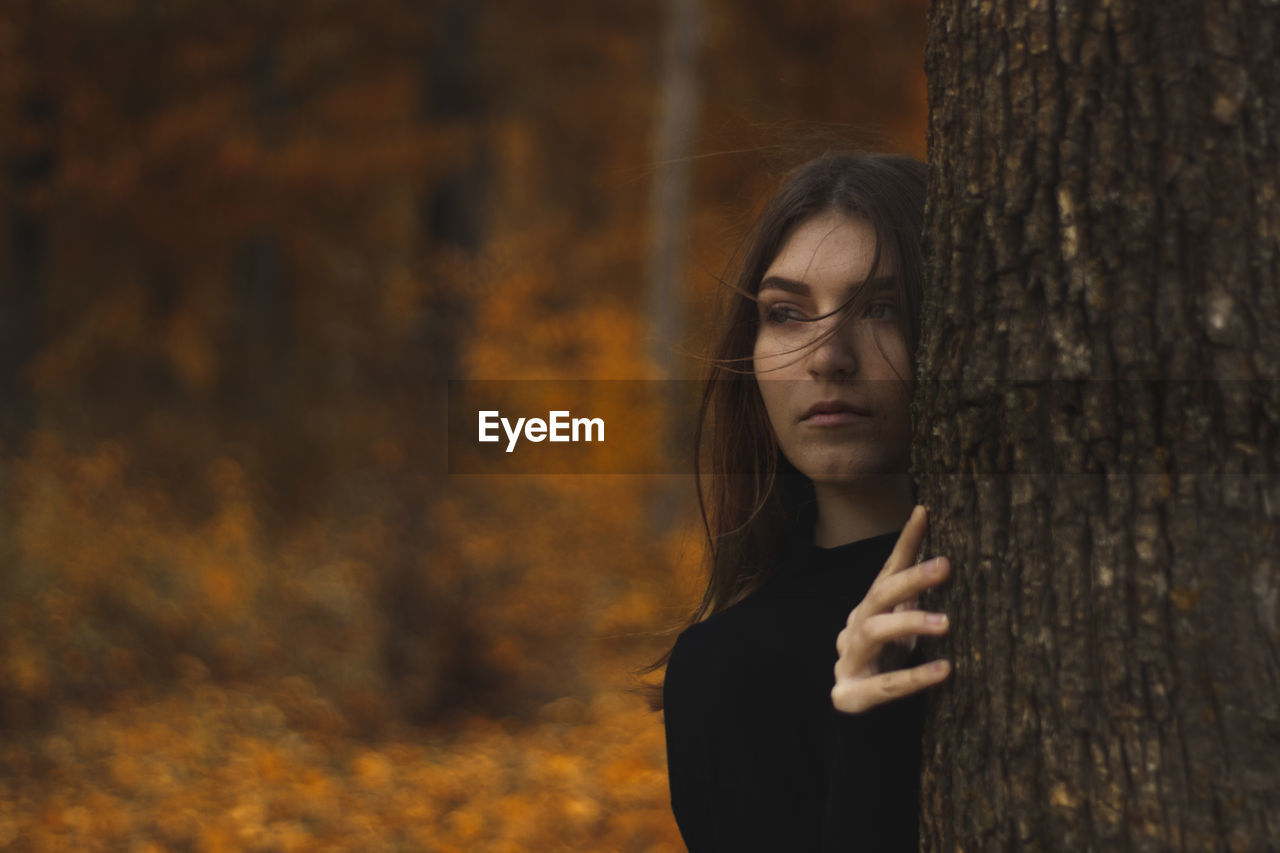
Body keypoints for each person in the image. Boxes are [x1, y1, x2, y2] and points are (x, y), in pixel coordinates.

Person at [661, 152, 953, 851]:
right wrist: (869, 731)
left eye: (881, 307)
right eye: (788, 314)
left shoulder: (1040, 584)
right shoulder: (726, 670)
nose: (828, 355)